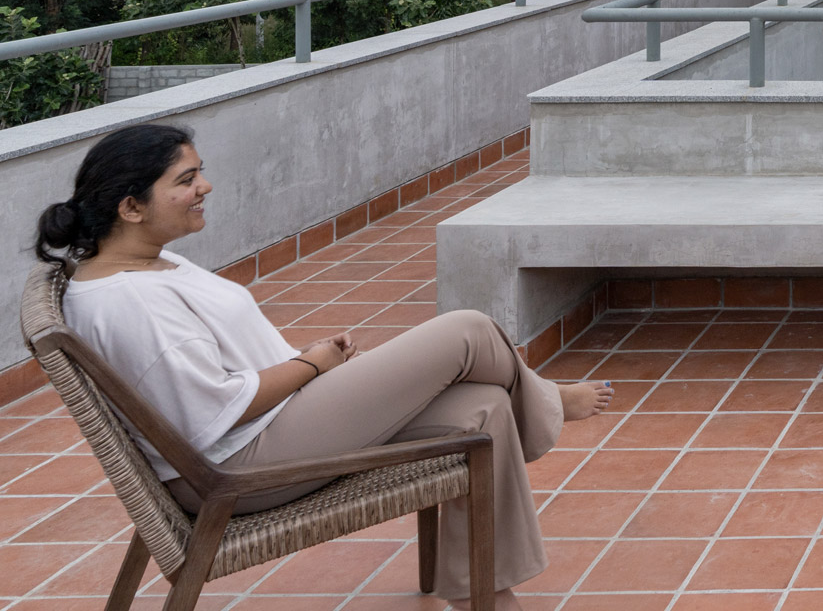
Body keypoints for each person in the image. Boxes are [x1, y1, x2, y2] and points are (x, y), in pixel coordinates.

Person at [37, 124, 615, 611]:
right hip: (237, 464)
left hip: (264, 429)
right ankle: (547, 402)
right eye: (185, 181)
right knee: (467, 331)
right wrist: (311, 366)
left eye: (198, 173)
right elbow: (216, 410)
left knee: (482, 408)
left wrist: (316, 365)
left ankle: (479, 592)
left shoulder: (145, 266)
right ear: (130, 207)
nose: (204, 186)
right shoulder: (129, 302)